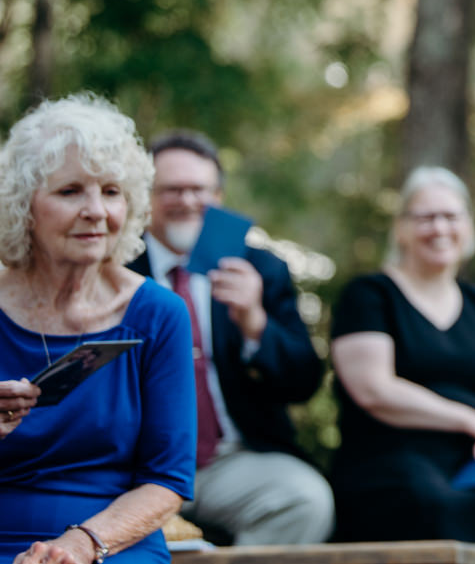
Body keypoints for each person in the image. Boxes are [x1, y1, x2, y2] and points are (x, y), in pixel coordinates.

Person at [0, 94, 195, 564]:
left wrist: (81, 545)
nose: (96, 211)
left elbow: (167, 480)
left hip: (111, 542)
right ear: (24, 206)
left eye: (111, 192)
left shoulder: (160, 314)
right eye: (70, 191)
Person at [126, 131, 333, 546]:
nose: (187, 201)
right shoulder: (117, 266)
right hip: (133, 463)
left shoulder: (259, 268)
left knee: (307, 500)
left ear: (218, 195)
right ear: (144, 199)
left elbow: (304, 381)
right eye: (172, 190)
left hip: (231, 460)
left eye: (199, 190)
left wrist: (256, 323)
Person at [327, 167, 475, 563]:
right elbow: (374, 390)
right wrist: (472, 421)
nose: (440, 227)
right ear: (401, 228)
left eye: (451, 216)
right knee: (435, 504)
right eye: (425, 217)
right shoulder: (369, 296)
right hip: (389, 459)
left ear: (468, 227)